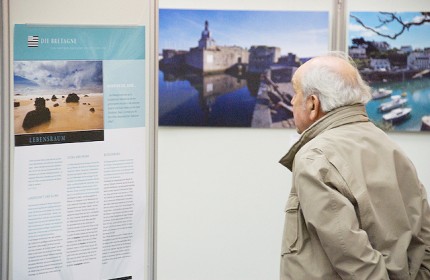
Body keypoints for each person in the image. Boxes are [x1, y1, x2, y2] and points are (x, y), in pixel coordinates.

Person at [279, 52, 430, 279]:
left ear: (312, 104)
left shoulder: (314, 158)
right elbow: (424, 233)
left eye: (296, 93)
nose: (291, 101)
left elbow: (356, 264)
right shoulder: (389, 146)